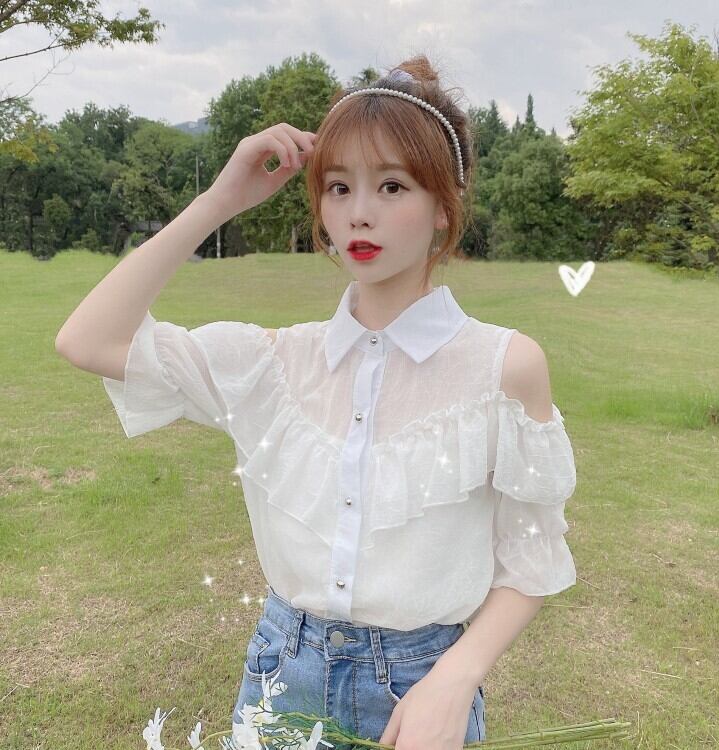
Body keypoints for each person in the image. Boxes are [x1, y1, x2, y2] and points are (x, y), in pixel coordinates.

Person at [55, 54, 577, 750]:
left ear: (443, 206)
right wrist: (218, 202)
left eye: (392, 186)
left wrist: (457, 677)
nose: (359, 212)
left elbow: (531, 557)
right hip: (280, 676)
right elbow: (87, 340)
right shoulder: (272, 363)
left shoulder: (503, 367)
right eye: (338, 187)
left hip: (419, 691)